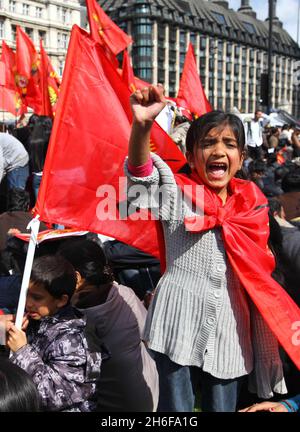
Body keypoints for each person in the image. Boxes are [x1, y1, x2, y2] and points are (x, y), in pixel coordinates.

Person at [124, 85, 299, 412]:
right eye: (208, 143)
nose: (219, 150)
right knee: (177, 410)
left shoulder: (255, 206)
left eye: (229, 144)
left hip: (230, 332)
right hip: (175, 325)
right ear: (191, 156)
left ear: (241, 157)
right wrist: (143, 125)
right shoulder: (175, 194)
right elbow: (140, 177)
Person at [58, 239, 159, 412]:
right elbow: (148, 336)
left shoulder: (74, 317)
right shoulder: (124, 294)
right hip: (148, 398)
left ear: (76, 278)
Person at [5, 255, 102, 412]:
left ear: (61, 300)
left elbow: (52, 396)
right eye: (26, 293)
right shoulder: (40, 318)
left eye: (37, 297)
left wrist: (22, 352)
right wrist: (8, 330)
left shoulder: (73, 339)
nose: (28, 303)